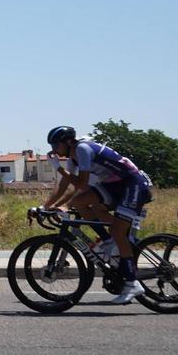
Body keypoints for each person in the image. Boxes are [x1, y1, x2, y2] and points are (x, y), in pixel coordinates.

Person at [41, 125, 153, 305]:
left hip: (133, 184)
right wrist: (47, 206)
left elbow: (82, 184)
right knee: (79, 203)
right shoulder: (73, 157)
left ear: (68, 142)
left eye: (55, 145)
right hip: (115, 184)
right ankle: (109, 242)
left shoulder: (83, 150)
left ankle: (132, 284)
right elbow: (68, 186)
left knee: (118, 232)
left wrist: (58, 169)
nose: (53, 149)